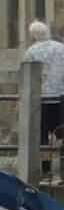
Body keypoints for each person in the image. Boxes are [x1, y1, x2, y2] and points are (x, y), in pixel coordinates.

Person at [29, 21, 64, 153]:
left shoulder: (31, 52)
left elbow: (28, 77)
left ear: (33, 36)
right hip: (61, 99)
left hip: (42, 100)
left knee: (42, 136)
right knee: (62, 133)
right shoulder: (61, 48)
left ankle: (46, 167)